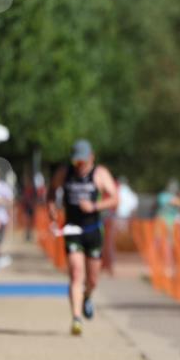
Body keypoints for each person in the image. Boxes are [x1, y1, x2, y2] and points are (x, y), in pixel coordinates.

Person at [47, 140, 119, 336]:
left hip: (93, 230)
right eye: (76, 162)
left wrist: (95, 207)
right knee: (76, 273)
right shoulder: (64, 172)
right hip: (72, 230)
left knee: (93, 279)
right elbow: (52, 191)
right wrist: (52, 207)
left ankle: (87, 296)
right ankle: (76, 318)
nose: (79, 166)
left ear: (91, 158)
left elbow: (114, 198)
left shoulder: (100, 174)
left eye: (83, 162)